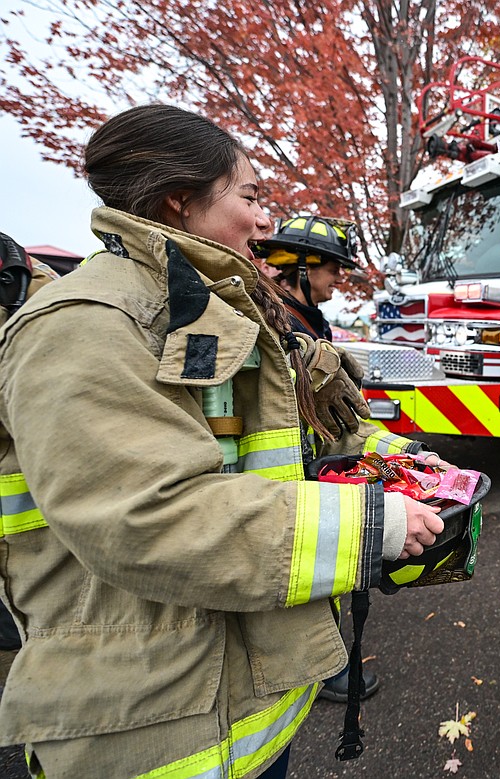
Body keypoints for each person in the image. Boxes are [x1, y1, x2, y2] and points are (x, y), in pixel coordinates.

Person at [0, 104, 446, 778]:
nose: (266, 222)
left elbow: (306, 432)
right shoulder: (86, 326)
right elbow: (150, 515)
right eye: (250, 197)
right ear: (179, 201)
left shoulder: (218, 311)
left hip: (245, 699)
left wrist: (402, 460)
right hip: (155, 723)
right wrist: (371, 523)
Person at [258, 216, 380, 703]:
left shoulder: (311, 319)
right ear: (303, 268)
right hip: (282, 468)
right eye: (333, 268)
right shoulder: (275, 318)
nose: (339, 279)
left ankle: (324, 657)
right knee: (301, 567)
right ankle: (322, 668)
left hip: (314, 459)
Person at [260, 215, 357, 341]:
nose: (339, 280)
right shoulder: (280, 325)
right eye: (334, 271)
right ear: (305, 270)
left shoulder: (319, 326)